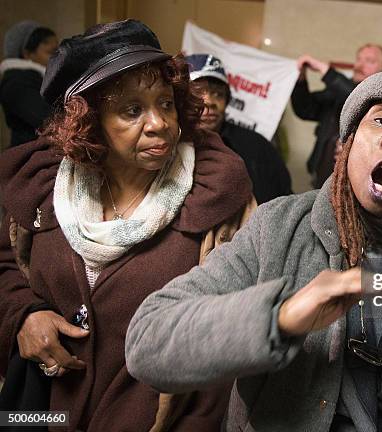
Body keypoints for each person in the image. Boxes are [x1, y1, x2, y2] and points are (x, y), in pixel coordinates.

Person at [126, 71, 382, 431]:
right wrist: (282, 317)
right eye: (380, 121)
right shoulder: (277, 229)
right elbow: (147, 342)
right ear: (348, 144)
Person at [0, 20, 255, 431]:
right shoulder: (44, 187)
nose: (158, 123)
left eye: (166, 103)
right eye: (132, 110)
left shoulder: (213, 194)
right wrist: (24, 316)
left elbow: (232, 335)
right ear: (90, 121)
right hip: (40, 413)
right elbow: (4, 266)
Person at [185, 54, 291, 204]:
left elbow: (283, 200)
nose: (209, 101)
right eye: (197, 92)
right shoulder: (168, 148)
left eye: (218, 94)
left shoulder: (257, 147)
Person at [291, 44, 382, 188]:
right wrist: (300, 80)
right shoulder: (337, 93)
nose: (359, 65)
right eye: (358, 59)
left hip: (352, 186)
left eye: (369, 61)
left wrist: (325, 70)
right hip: (320, 180)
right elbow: (305, 109)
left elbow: (358, 98)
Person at [0, 20, 58, 147]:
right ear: (27, 54)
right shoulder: (17, 83)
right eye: (50, 53)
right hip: (30, 158)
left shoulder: (40, 79)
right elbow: (49, 120)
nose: (57, 59)